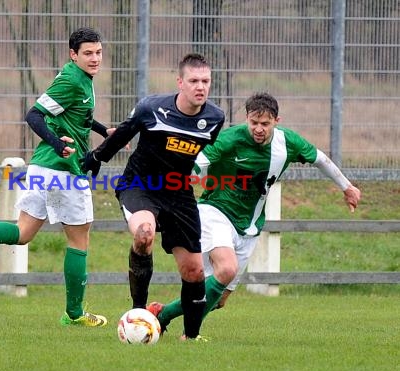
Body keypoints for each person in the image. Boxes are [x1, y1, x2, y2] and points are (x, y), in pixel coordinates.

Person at [146, 91, 362, 334]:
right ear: (246, 118)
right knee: (226, 270)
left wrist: (347, 187)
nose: (259, 129)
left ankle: (162, 315)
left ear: (276, 122)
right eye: (254, 122)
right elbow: (199, 161)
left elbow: (320, 159)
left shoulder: (288, 142)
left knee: (220, 299)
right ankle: (190, 336)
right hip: (216, 211)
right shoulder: (230, 138)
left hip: (250, 224)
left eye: (265, 124)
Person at [81, 53, 225, 340]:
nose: (201, 87)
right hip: (139, 185)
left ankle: (191, 337)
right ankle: (138, 314)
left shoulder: (214, 119)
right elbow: (123, 133)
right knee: (144, 233)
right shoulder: (152, 108)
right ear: (180, 83)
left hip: (179, 192)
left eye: (206, 81)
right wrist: (98, 156)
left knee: (195, 271)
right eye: (194, 81)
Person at [0, 27, 109, 327]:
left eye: (98, 52)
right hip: (62, 170)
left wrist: (104, 132)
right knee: (79, 238)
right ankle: (74, 314)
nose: (95, 58)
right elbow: (34, 115)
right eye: (88, 53)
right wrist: (59, 145)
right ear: (73, 54)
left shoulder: (79, 78)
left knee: (22, 233)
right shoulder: (73, 80)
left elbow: (76, 114)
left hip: (41, 168)